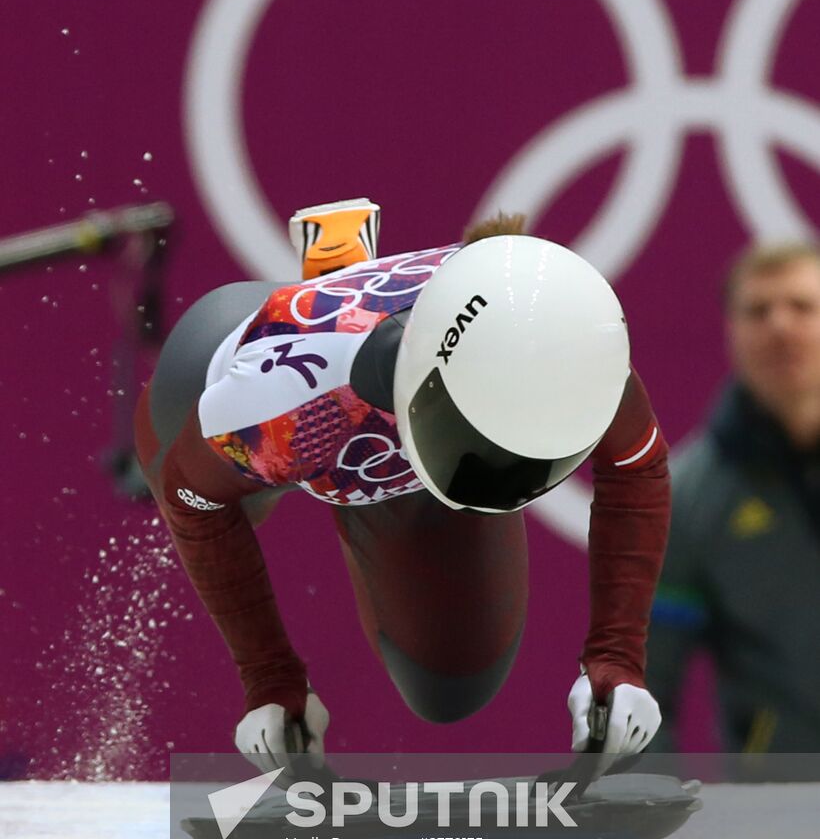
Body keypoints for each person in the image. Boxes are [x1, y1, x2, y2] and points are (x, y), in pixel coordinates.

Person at [133, 199, 671, 772]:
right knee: (208, 487)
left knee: (449, 684)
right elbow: (197, 507)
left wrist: (618, 661)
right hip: (271, 385)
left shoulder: (571, 346)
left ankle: (342, 280)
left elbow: (637, 469)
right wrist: (269, 678)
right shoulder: (273, 406)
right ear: (427, 392)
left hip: (386, 438)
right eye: (484, 449)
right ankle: (334, 280)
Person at [646, 242, 820, 752]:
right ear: (732, 331)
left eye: (803, 306)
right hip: (782, 803)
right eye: (758, 311)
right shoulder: (690, 497)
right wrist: (644, 809)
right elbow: (645, 687)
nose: (780, 326)